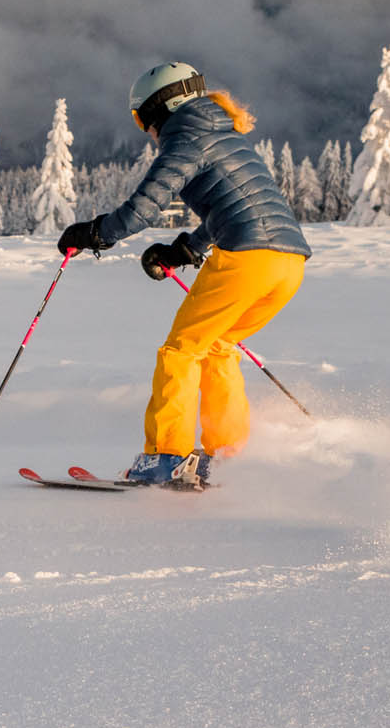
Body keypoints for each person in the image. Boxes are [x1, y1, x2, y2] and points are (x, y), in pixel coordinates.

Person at [57, 62, 310, 488]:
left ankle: (165, 456)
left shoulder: (184, 138)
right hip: (287, 263)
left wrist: (97, 232)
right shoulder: (222, 133)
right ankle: (227, 455)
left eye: (144, 123)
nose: (149, 134)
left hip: (245, 259)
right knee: (218, 346)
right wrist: (185, 249)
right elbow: (234, 207)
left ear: (158, 110)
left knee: (180, 351)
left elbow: (145, 205)